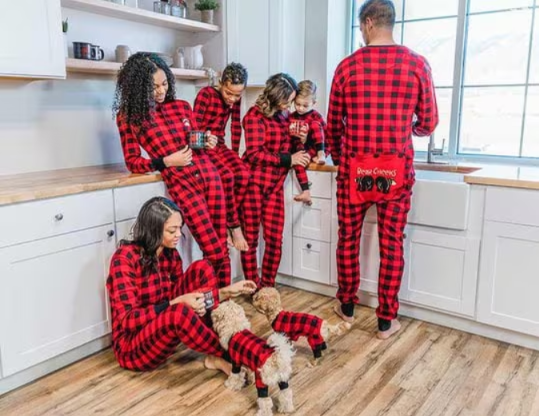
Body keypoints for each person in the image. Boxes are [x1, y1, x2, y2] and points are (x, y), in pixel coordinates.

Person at [326, 0, 438, 339]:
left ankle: (346, 307)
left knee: (349, 238)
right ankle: (386, 320)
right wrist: (407, 131)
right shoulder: (417, 64)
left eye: (361, 27)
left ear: (369, 22)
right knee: (392, 243)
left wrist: (337, 155)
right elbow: (429, 122)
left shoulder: (347, 67)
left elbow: (333, 127)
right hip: (395, 169)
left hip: (355, 168)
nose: (361, 32)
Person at [113, 52, 231, 288]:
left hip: (210, 176)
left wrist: (205, 140)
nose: (160, 91)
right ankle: (213, 304)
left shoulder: (182, 107)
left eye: (164, 83)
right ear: (138, 88)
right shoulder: (129, 118)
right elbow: (133, 162)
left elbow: (192, 139)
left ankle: (225, 308)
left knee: (222, 246)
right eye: (153, 87)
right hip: (183, 186)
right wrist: (165, 162)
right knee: (214, 250)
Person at [106, 196, 257, 372]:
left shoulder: (170, 254)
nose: (179, 234)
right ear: (154, 231)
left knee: (203, 267)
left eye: (179, 228)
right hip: (132, 347)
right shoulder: (124, 258)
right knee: (179, 312)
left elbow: (188, 299)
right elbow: (128, 321)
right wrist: (176, 303)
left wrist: (225, 292)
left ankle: (215, 354)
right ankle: (229, 352)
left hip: (163, 327)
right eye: (172, 230)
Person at [240, 73, 311, 288]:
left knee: (274, 240)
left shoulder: (284, 116)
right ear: (274, 97)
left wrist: (303, 142)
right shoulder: (254, 116)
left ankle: (267, 286)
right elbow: (254, 154)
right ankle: (253, 287)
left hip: (274, 187)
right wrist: (288, 159)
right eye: (286, 101)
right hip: (252, 186)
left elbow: (293, 145)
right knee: (250, 240)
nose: (288, 105)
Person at [193, 63, 250, 251]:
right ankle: (234, 226)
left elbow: (235, 126)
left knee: (243, 173)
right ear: (221, 83)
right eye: (228, 93)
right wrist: (204, 141)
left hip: (220, 146)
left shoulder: (235, 100)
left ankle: (226, 219)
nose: (232, 98)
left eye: (237, 94)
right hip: (204, 148)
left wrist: (235, 153)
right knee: (227, 176)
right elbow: (194, 130)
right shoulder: (206, 95)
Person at [289, 80, 327, 205]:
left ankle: (321, 154)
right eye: (297, 104)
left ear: (313, 103)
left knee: (315, 125)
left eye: (305, 106)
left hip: (314, 148)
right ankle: (306, 192)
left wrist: (322, 152)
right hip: (299, 150)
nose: (300, 108)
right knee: (298, 163)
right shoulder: (291, 117)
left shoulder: (316, 116)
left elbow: (327, 136)